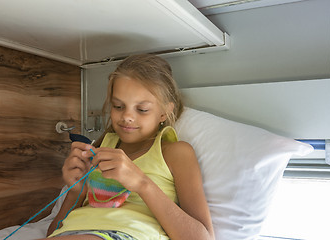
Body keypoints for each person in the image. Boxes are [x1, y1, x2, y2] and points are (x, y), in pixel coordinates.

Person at [42, 54, 215, 240]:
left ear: (165, 112)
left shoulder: (176, 153)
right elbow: (53, 232)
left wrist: (142, 183)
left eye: (142, 110)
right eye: (118, 106)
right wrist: (76, 190)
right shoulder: (99, 147)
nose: (127, 117)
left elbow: (202, 238)